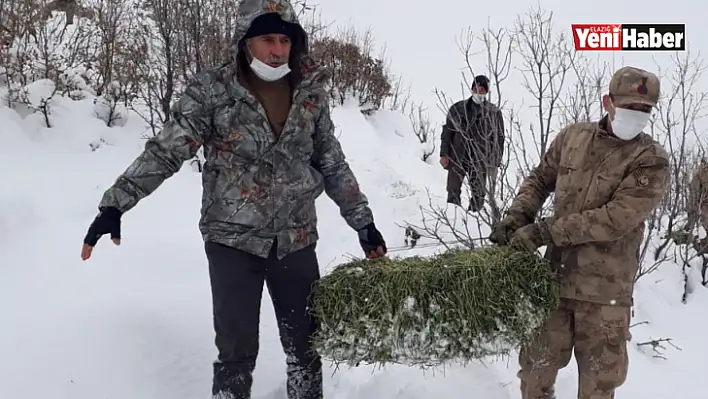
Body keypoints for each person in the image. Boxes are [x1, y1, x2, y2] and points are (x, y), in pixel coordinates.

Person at [80, 0, 388, 398]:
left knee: (306, 349)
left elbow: (331, 161)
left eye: (284, 40)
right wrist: (115, 204)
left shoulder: (310, 92)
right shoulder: (212, 91)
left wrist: (363, 222)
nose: (277, 49)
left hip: (295, 240)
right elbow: (166, 150)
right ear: (245, 41)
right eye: (266, 39)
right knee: (236, 354)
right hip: (232, 241)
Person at [489, 66, 670, 398]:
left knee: (599, 387)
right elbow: (540, 179)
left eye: (645, 110)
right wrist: (517, 217)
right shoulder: (573, 138)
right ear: (608, 102)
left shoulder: (651, 160)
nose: (637, 115)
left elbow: (616, 218)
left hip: (605, 297)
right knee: (534, 374)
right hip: (552, 286)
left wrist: (544, 232)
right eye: (630, 107)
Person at [439, 74, 505, 212]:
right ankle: (453, 219)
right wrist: (444, 154)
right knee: (452, 191)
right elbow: (447, 133)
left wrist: (495, 161)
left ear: (486, 91)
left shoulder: (493, 112)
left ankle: (474, 221)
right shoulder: (457, 109)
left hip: (480, 158)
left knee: (478, 194)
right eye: (475, 88)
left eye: (481, 90)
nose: (478, 92)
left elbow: (499, 138)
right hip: (458, 155)